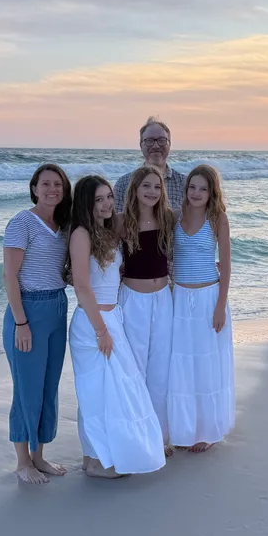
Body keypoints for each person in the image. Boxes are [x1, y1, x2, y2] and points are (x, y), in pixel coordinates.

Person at [67, 175, 166, 478]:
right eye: (98, 199)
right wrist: (101, 331)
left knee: (108, 390)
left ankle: (93, 457)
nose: (107, 204)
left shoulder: (107, 233)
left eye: (109, 196)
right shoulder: (82, 234)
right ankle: (96, 462)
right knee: (99, 392)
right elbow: (83, 287)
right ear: (86, 203)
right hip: (92, 321)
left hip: (112, 317)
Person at [2, 163, 73, 485]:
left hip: (58, 308)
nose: (52, 189)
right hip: (27, 311)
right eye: (45, 184)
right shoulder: (21, 223)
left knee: (49, 387)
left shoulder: (65, 225)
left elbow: (62, 269)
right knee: (26, 388)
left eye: (57, 184)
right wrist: (21, 322)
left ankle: (39, 456)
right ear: (34, 188)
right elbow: (10, 276)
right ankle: (22, 462)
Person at [168, 164, 234, 453]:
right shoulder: (175, 216)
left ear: (211, 193)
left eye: (203, 188)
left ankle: (207, 431)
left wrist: (220, 305)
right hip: (179, 299)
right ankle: (183, 427)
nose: (196, 193)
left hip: (209, 298)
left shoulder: (217, 218)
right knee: (182, 364)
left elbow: (227, 265)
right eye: (192, 187)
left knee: (207, 366)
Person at [116, 165, 176, 455]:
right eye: (146, 186)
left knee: (160, 368)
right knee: (135, 367)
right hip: (134, 301)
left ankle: (159, 436)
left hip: (164, 299)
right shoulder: (121, 222)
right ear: (135, 189)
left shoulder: (168, 218)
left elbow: (200, 225)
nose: (152, 192)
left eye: (157, 186)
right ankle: (135, 435)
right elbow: (97, 249)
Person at [113, 116, 186, 213]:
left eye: (162, 140)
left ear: (169, 144)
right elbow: (113, 225)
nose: (156, 146)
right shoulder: (123, 184)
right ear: (141, 145)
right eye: (149, 141)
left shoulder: (185, 184)